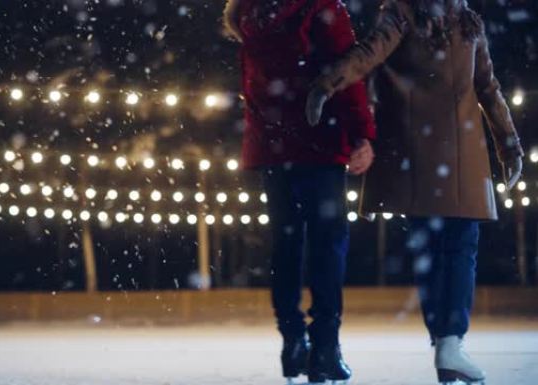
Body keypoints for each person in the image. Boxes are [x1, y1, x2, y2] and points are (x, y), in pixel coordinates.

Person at [305, 0, 524, 383]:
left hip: (430, 159)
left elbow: (486, 84)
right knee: (454, 249)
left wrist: (509, 144)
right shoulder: (423, 16)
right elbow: (369, 54)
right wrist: (327, 83)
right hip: (442, 157)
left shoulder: (447, 18)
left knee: (441, 250)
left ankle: (446, 341)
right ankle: (449, 342)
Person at [223, 0, 377, 383]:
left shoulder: (249, 13)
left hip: (273, 149)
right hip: (320, 143)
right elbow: (346, 73)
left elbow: (252, 87)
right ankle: (325, 345)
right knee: (328, 242)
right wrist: (362, 133)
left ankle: (292, 338)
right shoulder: (321, 9)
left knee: (286, 243)